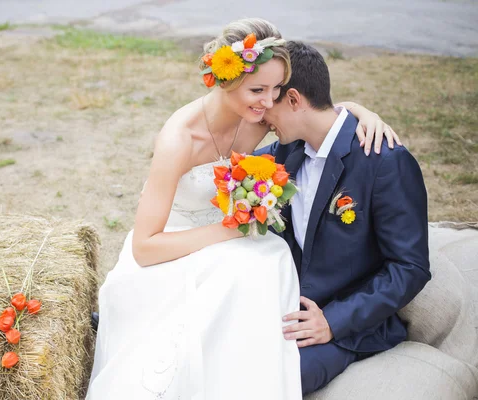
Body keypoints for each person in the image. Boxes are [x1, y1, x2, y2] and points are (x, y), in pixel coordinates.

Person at [87, 19, 398, 400]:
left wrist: (361, 112)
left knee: (267, 263)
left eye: (277, 89)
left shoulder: (256, 117)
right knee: (240, 276)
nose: (270, 102)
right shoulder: (178, 139)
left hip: (232, 240)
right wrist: (231, 229)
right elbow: (145, 247)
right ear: (224, 78)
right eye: (258, 89)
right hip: (173, 248)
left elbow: (316, 112)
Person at [255, 41, 431, 395]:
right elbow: (231, 165)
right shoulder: (287, 150)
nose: (260, 111)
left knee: (269, 380)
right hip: (280, 304)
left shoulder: (385, 162)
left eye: (269, 97)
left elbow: (409, 267)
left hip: (345, 327)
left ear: (293, 100)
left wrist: (332, 322)